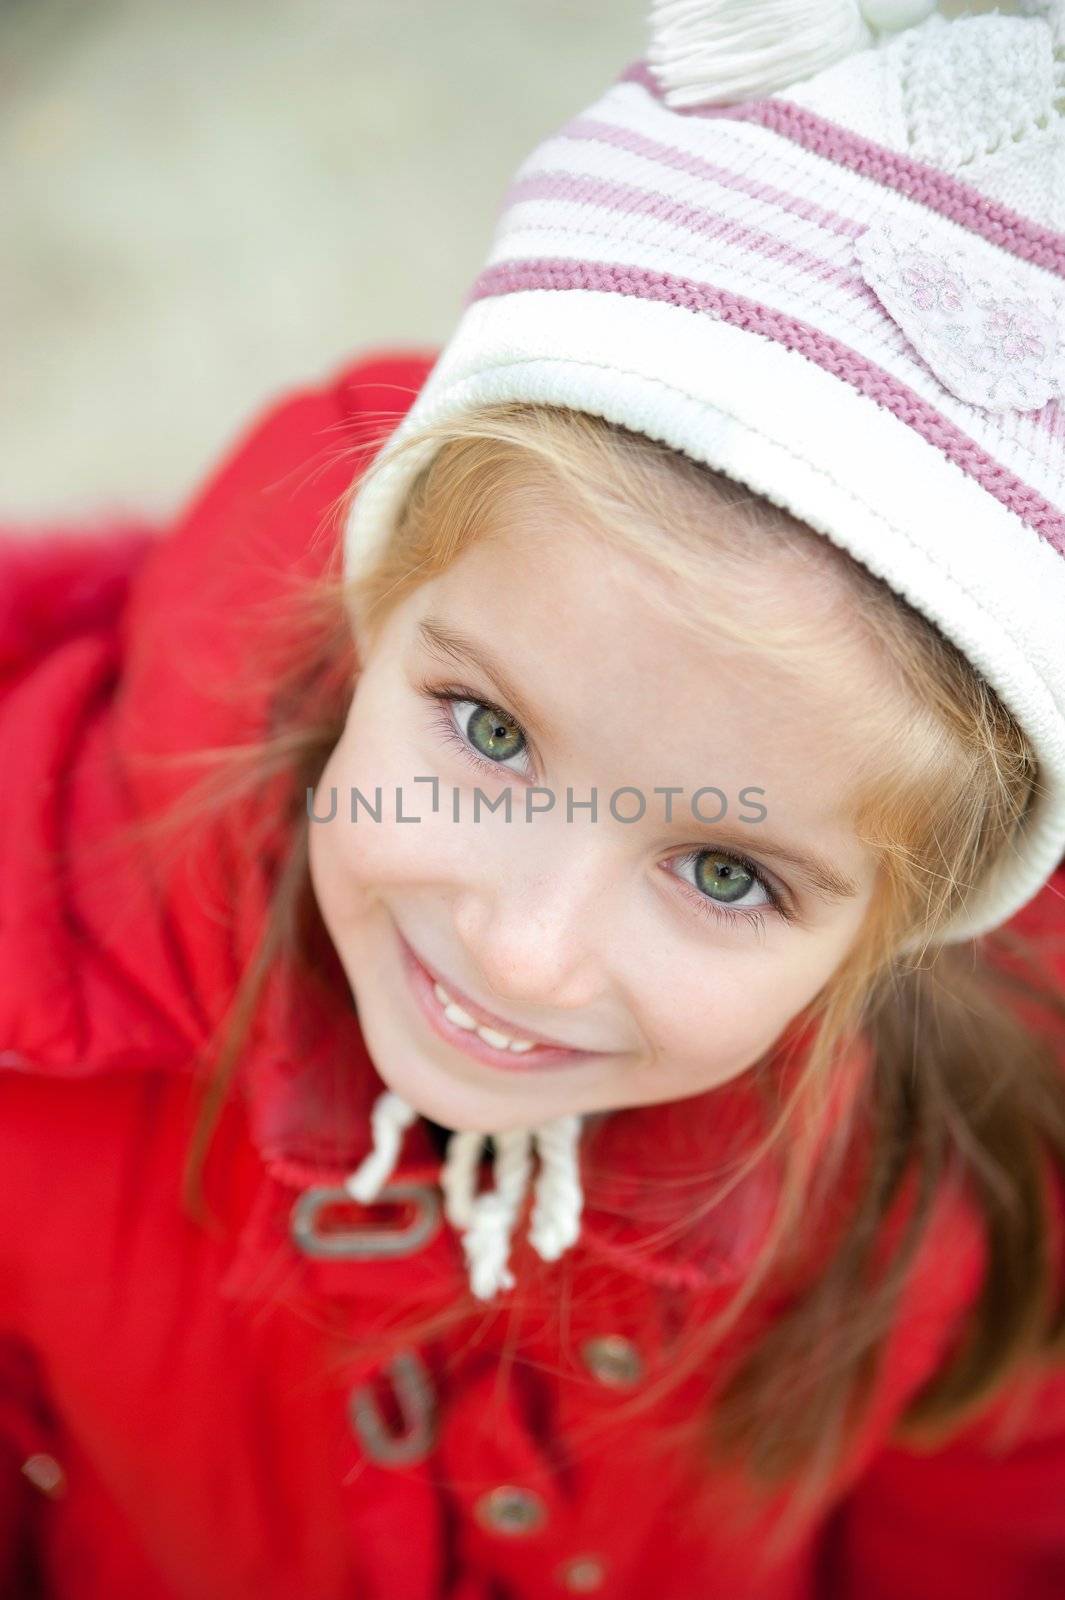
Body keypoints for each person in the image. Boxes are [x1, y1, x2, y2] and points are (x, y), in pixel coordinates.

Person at [2, 1, 1065, 1595]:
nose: (521, 957)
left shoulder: (969, 1177)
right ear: (378, 600)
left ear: (910, 922)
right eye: (490, 734)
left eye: (724, 872)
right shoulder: (39, 1024)